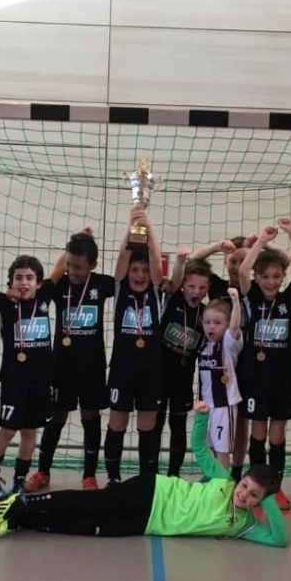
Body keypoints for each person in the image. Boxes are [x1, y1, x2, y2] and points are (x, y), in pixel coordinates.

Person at [0, 401, 288, 547]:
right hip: (154, 491)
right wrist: (202, 417)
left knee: (92, 527)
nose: (243, 494)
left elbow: (279, 539)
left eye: (254, 495)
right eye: (245, 485)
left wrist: (269, 498)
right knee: (94, 503)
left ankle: (21, 521)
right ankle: (25, 502)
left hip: (148, 523)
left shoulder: (244, 525)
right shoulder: (224, 479)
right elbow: (199, 447)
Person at [25, 228, 114, 493]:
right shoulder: (60, 284)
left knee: (90, 417)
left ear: (93, 265)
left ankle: (89, 475)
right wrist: (68, 253)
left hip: (93, 367)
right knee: (56, 417)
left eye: (78, 267)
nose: (72, 271)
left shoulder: (102, 284)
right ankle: (43, 471)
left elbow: (125, 276)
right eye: (69, 265)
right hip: (61, 366)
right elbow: (47, 283)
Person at [238, 218, 291, 509]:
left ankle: (275, 488)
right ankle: (257, 487)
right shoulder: (251, 296)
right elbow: (242, 270)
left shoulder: (288, 299)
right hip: (255, 376)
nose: (270, 281)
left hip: (282, 376)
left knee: (277, 434)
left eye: (276, 276)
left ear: (282, 277)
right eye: (265, 276)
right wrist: (260, 241)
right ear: (257, 277)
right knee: (258, 433)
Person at [0, 254, 55, 499]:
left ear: (39, 283)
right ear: (11, 282)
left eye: (29, 278)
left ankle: (20, 478)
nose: (24, 282)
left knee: (29, 432)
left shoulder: (44, 297)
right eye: (18, 278)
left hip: (40, 380)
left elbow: (60, 268)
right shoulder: (4, 301)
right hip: (14, 379)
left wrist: (81, 238)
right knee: (8, 429)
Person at [103, 206, 164, 484]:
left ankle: (146, 481)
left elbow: (156, 261)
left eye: (144, 271)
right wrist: (131, 224)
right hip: (122, 370)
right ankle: (113, 479)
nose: (139, 275)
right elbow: (122, 256)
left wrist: (149, 227)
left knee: (148, 426)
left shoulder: (156, 292)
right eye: (134, 270)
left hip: (151, 372)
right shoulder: (120, 289)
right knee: (117, 423)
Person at [155, 253, 212, 477]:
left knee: (178, 427)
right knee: (155, 425)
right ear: (182, 286)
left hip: (184, 379)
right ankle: (151, 473)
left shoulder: (206, 313)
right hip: (159, 376)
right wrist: (180, 260)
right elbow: (176, 278)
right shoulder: (173, 299)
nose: (196, 292)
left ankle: (173, 474)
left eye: (202, 287)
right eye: (191, 286)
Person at [198, 289, 244, 469]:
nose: (211, 327)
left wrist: (236, 301)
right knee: (211, 447)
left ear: (226, 325)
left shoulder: (228, 344)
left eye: (217, 323)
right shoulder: (203, 345)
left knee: (222, 449)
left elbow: (235, 327)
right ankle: (214, 478)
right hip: (207, 407)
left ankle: (223, 482)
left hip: (224, 406)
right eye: (207, 322)